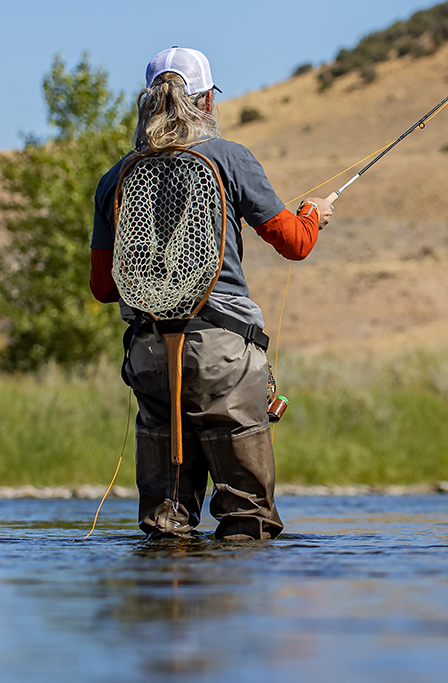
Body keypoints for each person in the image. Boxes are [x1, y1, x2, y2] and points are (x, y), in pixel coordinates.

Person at [88, 46, 333, 541]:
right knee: (247, 522)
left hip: (151, 356)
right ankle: (231, 617)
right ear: (205, 102)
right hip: (223, 357)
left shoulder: (116, 178)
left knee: (166, 527)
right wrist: (314, 213)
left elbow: (103, 287)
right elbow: (296, 243)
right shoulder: (229, 157)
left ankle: (166, 610)